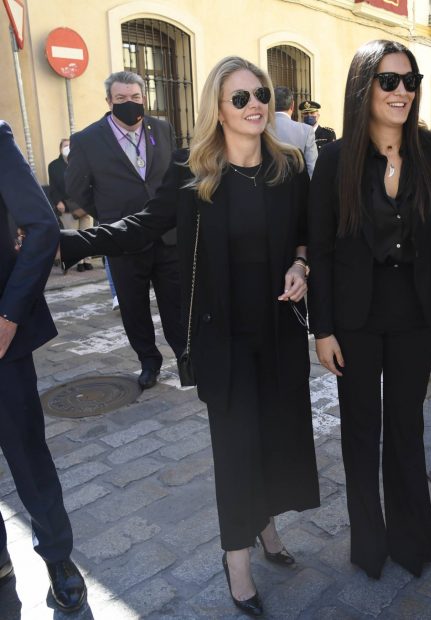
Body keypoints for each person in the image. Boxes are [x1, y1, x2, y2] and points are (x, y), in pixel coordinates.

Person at [59, 56, 320, 616]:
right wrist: (73, 243)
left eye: (262, 95)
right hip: (221, 337)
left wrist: (302, 267)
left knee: (275, 438)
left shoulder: (289, 167)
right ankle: (238, 564)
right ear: (218, 109)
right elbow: (142, 227)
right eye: (241, 98)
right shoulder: (193, 170)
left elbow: (306, 235)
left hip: (277, 332)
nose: (256, 106)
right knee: (235, 449)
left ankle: (270, 532)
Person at [308, 40, 431, 580]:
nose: (402, 91)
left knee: (406, 428)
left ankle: (413, 539)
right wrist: (323, 329)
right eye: (389, 81)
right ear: (365, 87)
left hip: (413, 314)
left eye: (410, 81)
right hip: (354, 319)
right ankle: (370, 544)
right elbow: (320, 249)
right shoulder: (336, 159)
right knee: (361, 431)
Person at [0, 121, 86, 611]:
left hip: (1, 342)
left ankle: (57, 557)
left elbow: (41, 225)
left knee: (27, 455)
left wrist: (10, 315)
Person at [65, 70, 185, 390]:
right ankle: (149, 361)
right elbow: (77, 189)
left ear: (143, 98)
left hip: (167, 236)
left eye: (135, 97)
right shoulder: (87, 140)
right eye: (121, 99)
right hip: (122, 239)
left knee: (176, 303)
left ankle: (186, 355)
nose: (129, 104)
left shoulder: (161, 128)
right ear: (109, 101)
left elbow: (173, 176)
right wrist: (109, 216)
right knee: (133, 306)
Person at [47, 137, 94, 271]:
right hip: (67, 206)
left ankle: (87, 260)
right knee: (74, 235)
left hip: (85, 204)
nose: (67, 148)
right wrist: (58, 202)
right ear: (60, 149)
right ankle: (78, 262)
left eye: (69, 145)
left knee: (87, 234)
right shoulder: (54, 166)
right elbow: (53, 188)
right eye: (65, 146)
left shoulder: (81, 162)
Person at [273, 86, 318, 177]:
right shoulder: (306, 131)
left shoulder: (260, 129)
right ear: (292, 106)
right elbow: (312, 169)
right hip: (297, 189)